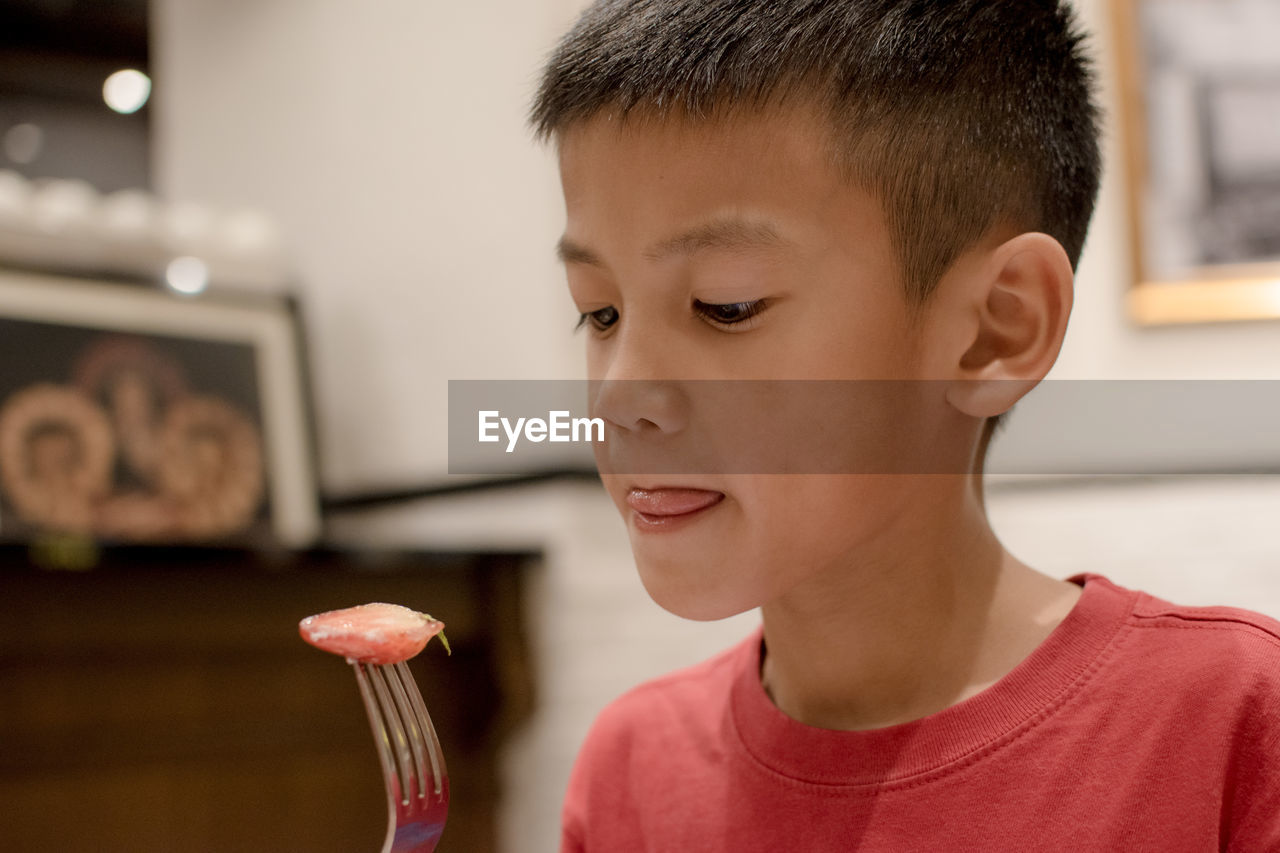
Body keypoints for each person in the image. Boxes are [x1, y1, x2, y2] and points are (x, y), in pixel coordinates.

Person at [529, 1, 1280, 850]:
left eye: (725, 305)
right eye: (598, 313)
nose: (621, 395)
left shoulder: (1233, 725)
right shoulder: (632, 769)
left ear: (998, 328)